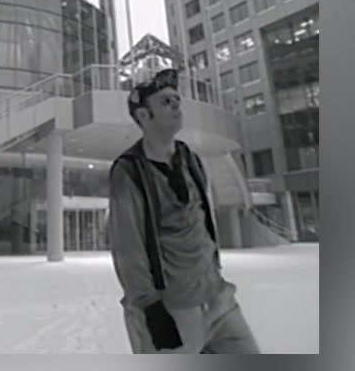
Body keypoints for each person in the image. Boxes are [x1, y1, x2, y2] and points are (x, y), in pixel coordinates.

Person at [108, 68, 260, 354]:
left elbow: (203, 223)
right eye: (165, 102)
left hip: (217, 298)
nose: (176, 105)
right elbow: (128, 247)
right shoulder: (129, 171)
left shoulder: (190, 159)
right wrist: (151, 309)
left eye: (177, 99)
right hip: (173, 309)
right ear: (143, 115)